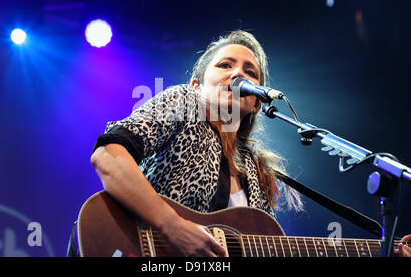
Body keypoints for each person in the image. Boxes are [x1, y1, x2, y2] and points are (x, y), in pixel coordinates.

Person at [87, 30, 410, 257]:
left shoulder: (256, 172)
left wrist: (386, 250)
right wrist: (171, 225)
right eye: (225, 65)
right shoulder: (184, 102)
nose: (237, 74)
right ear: (197, 83)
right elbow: (108, 156)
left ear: (256, 102)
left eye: (250, 72)